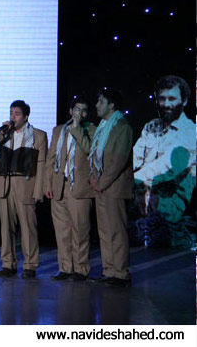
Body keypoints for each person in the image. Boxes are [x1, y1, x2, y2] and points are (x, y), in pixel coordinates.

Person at [132, 76, 195, 248]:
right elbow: (134, 158)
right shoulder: (151, 127)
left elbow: (165, 168)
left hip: (170, 202)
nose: (166, 104)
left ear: (184, 100)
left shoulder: (191, 132)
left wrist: (134, 180)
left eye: (172, 98)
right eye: (162, 98)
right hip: (143, 196)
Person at [0, 100, 47, 279]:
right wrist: (1, 134)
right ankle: (8, 263)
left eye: (16, 114)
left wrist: (38, 190)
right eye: (11, 113)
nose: (12, 117)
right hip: (5, 184)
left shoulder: (38, 135)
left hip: (25, 184)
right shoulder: (4, 134)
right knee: (6, 227)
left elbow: (41, 165)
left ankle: (30, 264)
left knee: (28, 227)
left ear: (25, 117)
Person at [44, 96, 95, 281]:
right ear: (71, 111)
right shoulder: (58, 130)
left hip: (79, 186)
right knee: (62, 230)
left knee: (80, 230)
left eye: (84, 110)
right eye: (77, 109)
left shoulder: (91, 130)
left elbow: (89, 150)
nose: (80, 113)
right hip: (60, 185)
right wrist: (47, 183)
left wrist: (77, 128)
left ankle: (81, 269)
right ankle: (65, 268)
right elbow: (51, 157)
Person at [88, 89, 133, 287]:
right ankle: (109, 270)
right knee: (105, 231)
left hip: (113, 187)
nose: (96, 105)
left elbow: (118, 161)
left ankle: (121, 273)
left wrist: (102, 183)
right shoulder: (103, 127)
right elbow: (95, 156)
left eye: (101, 102)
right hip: (100, 186)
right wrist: (93, 177)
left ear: (111, 105)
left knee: (116, 230)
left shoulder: (122, 127)